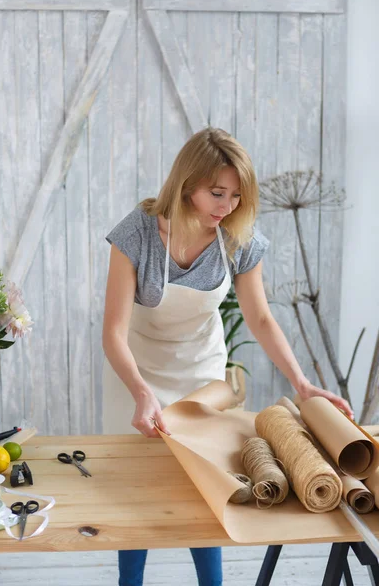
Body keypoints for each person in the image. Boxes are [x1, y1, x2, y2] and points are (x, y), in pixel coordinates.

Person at [102, 127, 353, 586]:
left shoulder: (238, 239)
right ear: (186, 183)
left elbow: (260, 319)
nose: (227, 206)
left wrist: (302, 385)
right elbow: (113, 332)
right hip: (136, 372)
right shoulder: (136, 233)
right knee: (136, 491)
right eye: (217, 192)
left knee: (208, 485)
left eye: (237, 196)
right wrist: (141, 391)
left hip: (201, 372)